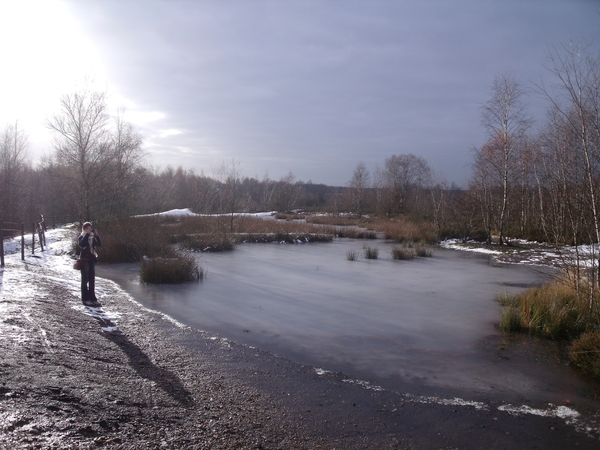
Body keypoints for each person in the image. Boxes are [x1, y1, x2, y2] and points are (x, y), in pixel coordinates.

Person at [78, 222, 102, 307]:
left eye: (90, 228)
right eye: (87, 228)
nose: (89, 230)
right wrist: (87, 235)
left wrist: (96, 235)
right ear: (84, 229)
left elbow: (99, 244)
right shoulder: (82, 236)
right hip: (84, 260)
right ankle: (85, 299)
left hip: (91, 260)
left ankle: (93, 298)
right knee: (85, 280)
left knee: (92, 280)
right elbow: (81, 244)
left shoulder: (92, 237)